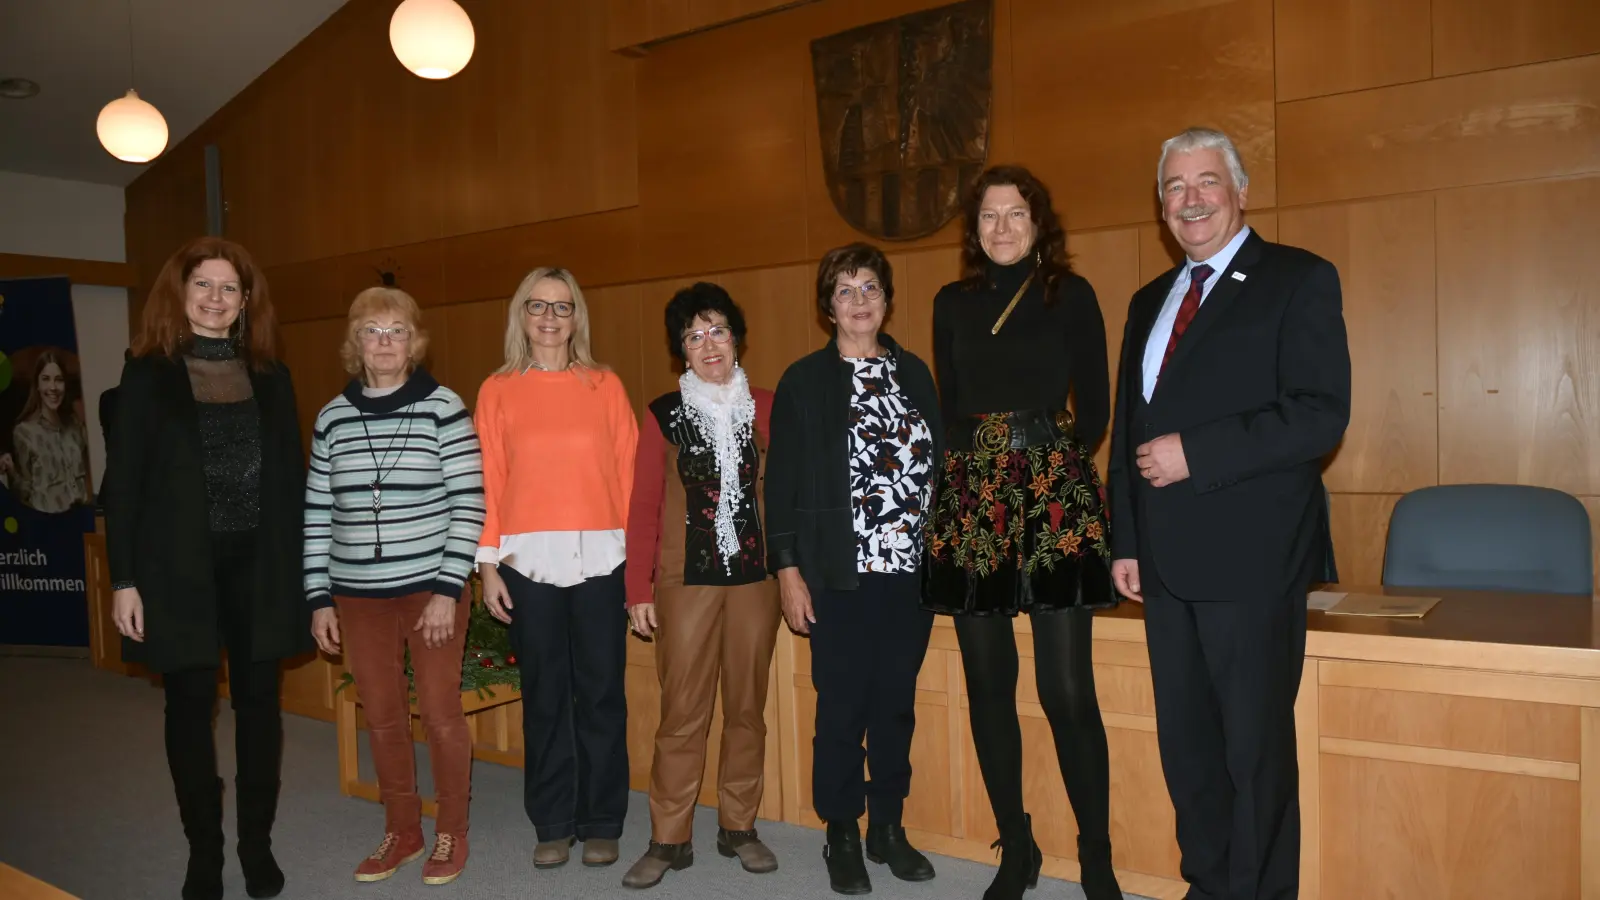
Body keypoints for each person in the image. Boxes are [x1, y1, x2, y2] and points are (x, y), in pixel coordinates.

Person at [1108, 127, 1350, 900]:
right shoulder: (1150, 301)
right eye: (1175, 188)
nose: (1192, 199)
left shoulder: (1297, 278)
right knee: (1189, 750)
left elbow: (1319, 415)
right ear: (1161, 205)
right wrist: (1125, 540)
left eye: (1207, 181)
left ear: (1240, 190)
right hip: (1165, 568)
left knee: (1255, 754)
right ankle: (1208, 886)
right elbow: (1130, 433)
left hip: (1254, 559)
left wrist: (1199, 454)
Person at [923, 165, 1122, 900]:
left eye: (1015, 214)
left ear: (1039, 223)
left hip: (1052, 489)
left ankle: (1096, 853)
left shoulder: (1070, 294)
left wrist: (1051, 463)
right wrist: (975, 475)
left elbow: (1099, 408)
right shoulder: (951, 302)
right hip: (975, 496)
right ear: (973, 229)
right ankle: (1018, 846)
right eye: (987, 217)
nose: (1001, 228)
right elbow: (950, 408)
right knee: (987, 686)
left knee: (1067, 689)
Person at [106, 236, 311, 900]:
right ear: (182, 293)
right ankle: (204, 851)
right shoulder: (145, 374)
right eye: (204, 285)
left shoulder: (273, 377)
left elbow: (293, 481)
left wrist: (308, 576)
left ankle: (256, 846)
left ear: (246, 300)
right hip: (178, 572)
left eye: (230, 287)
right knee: (188, 714)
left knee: (259, 711)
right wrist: (125, 578)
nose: (217, 298)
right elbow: (125, 485)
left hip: (260, 569)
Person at [765, 242, 942, 896]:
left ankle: (887, 827)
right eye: (845, 290)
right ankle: (841, 829)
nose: (860, 300)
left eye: (870, 287)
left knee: (895, 705)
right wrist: (787, 571)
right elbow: (778, 486)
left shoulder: (915, 373)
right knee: (842, 706)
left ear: (887, 299)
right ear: (828, 306)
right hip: (838, 573)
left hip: (910, 575)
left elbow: (937, 470)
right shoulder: (805, 380)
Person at [304, 287, 485, 885]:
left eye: (397, 330)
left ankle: (450, 832)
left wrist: (446, 588)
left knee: (438, 713)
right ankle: (403, 830)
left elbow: (468, 503)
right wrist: (318, 597)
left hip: (430, 590)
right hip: (357, 595)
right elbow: (317, 513)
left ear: (415, 340)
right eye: (372, 331)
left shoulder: (443, 407)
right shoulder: (332, 417)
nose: (384, 342)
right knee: (381, 716)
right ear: (355, 344)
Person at [475, 267, 638, 871]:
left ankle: (602, 820)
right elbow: (488, 481)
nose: (549, 317)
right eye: (538, 306)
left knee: (600, 694)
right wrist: (487, 567)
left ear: (577, 318)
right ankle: (552, 821)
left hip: (602, 560)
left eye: (562, 307)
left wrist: (639, 571)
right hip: (524, 562)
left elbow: (628, 479)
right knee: (544, 695)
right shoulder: (497, 390)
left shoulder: (605, 385)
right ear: (522, 314)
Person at [621, 283, 783, 888]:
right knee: (681, 713)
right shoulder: (661, 414)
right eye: (694, 334)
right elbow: (641, 505)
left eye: (717, 330)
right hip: (683, 581)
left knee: (746, 708)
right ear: (680, 350)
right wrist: (637, 588)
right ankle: (669, 838)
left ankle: (739, 826)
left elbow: (786, 498)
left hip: (754, 581)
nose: (707, 343)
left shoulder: (768, 406)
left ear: (736, 338)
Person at [11, 348, 90, 513]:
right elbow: (24, 493)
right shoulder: (24, 433)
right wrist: (11, 470)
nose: (53, 387)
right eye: (46, 379)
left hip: (80, 523)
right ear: (37, 385)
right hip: (47, 528)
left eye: (59, 380)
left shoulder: (75, 427)